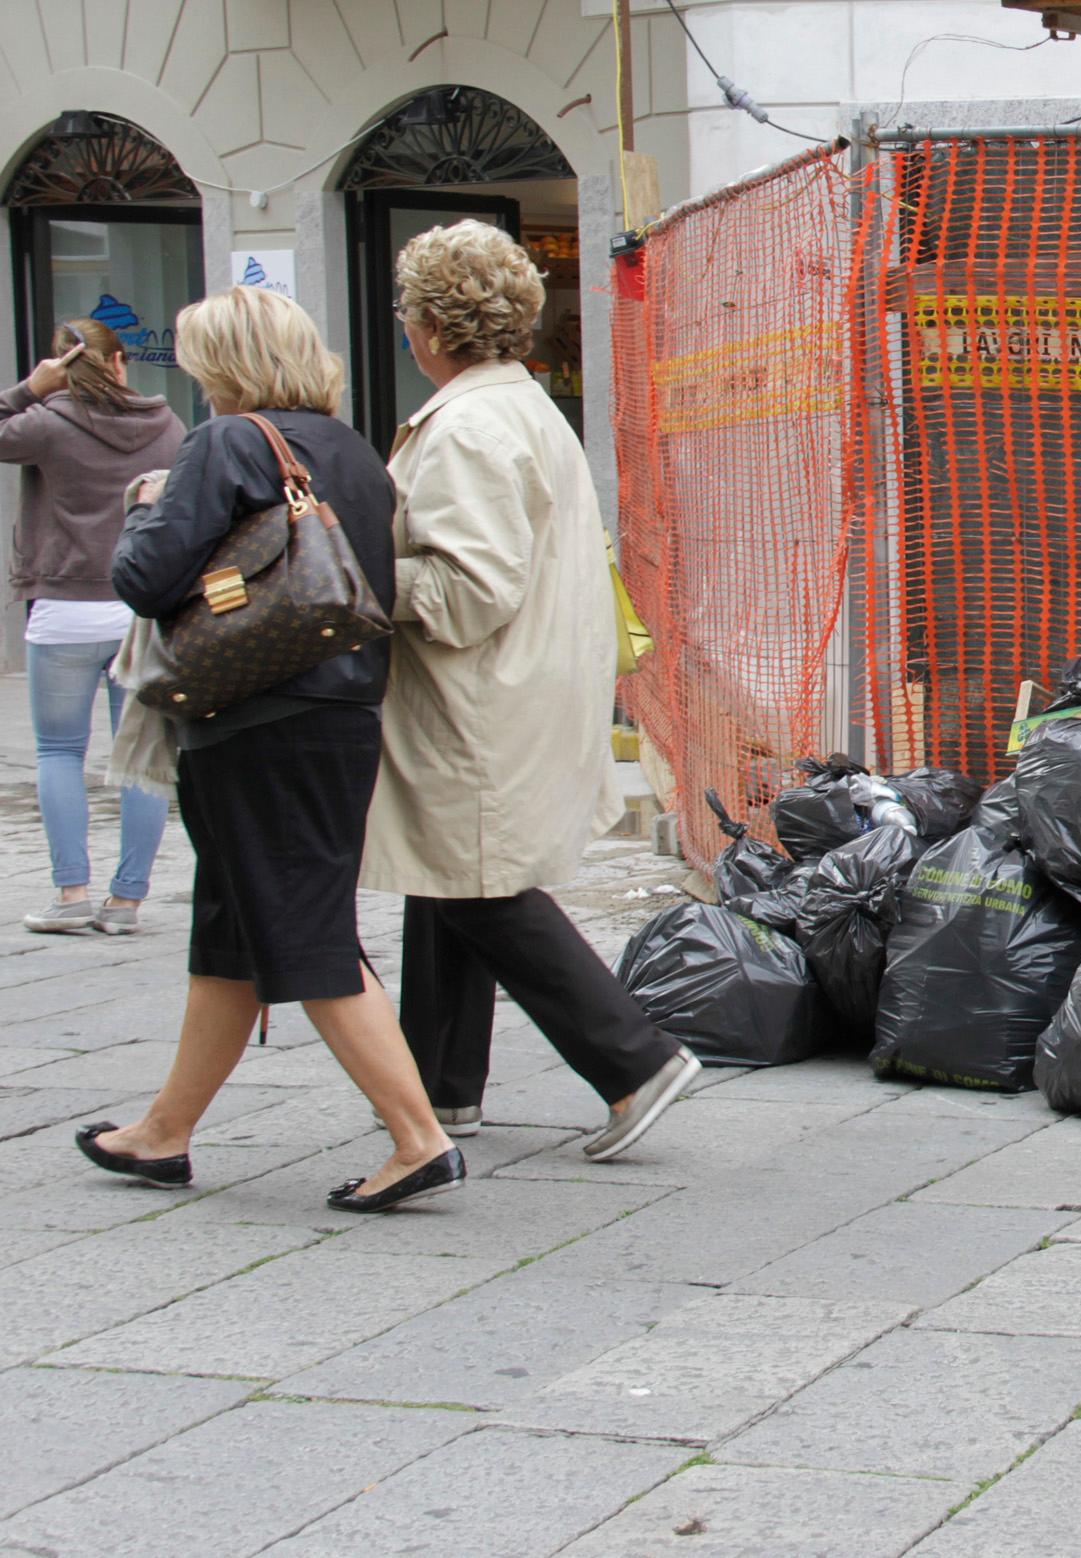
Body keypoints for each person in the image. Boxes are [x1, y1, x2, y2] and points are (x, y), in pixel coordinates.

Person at [80, 286, 461, 1214]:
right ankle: (164, 1133)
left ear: (228, 363)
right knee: (233, 929)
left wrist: (144, 503)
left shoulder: (226, 442)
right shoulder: (354, 452)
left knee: (302, 926)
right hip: (337, 715)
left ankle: (419, 1139)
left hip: (256, 719)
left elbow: (143, 579)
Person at [364, 221, 694, 1160]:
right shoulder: (519, 406)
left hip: (480, 694)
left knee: (476, 883)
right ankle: (441, 1091)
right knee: (451, 871)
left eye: (404, 312)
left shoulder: (468, 425)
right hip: (516, 684)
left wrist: (354, 577)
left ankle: (634, 1060)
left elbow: (466, 591)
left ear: (431, 323)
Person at [0, 319, 184, 935]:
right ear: (121, 361)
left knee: (58, 752)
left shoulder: (44, 424)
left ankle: (71, 895)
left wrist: (28, 390)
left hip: (62, 609)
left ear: (59, 366)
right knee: (140, 760)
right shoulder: (167, 425)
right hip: (138, 609)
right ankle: (127, 903)